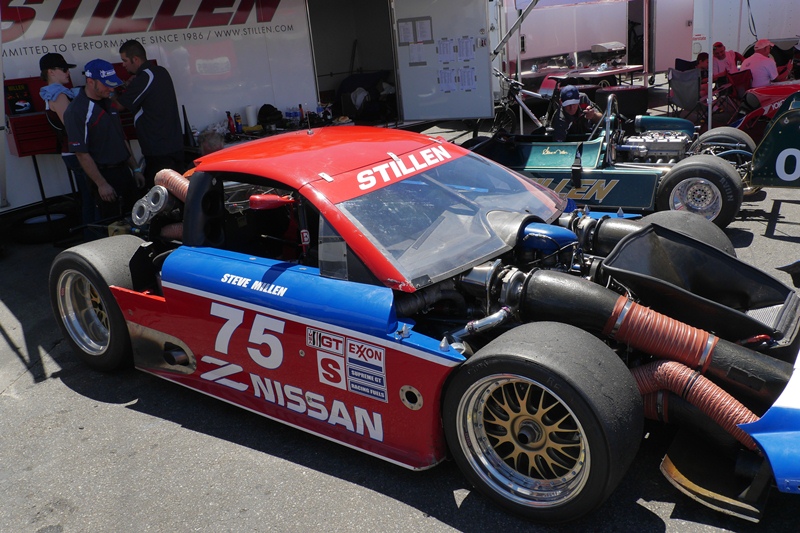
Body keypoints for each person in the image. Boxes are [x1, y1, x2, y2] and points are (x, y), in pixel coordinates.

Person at [63, 59, 144, 219]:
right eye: (106, 84)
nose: (111, 88)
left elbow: (121, 138)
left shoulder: (109, 103)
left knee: (137, 219)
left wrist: (135, 169)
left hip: (124, 172)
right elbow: (81, 153)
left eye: (112, 83)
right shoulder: (76, 111)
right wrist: (101, 184)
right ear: (90, 82)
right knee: (113, 226)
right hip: (104, 175)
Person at [38, 52, 98, 238]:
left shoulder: (53, 93)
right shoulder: (58, 94)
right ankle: (93, 238)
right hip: (77, 153)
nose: (68, 73)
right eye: (64, 69)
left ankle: (92, 237)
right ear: (51, 72)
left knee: (89, 196)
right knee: (92, 198)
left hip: (71, 152)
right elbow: (72, 126)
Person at [116, 39, 184, 189]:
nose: (123, 65)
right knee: (178, 190)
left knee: (161, 194)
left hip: (158, 149)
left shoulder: (145, 77)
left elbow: (118, 105)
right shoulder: (160, 72)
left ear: (135, 59)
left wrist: (110, 92)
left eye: (125, 60)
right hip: (174, 144)